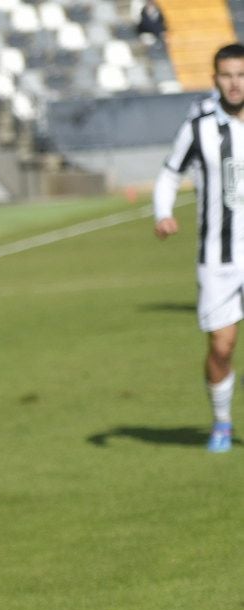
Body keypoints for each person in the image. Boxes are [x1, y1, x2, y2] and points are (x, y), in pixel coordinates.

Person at [154, 43, 244, 452]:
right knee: (221, 347)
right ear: (215, 79)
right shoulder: (200, 126)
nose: (235, 83)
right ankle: (222, 422)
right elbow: (170, 174)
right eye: (227, 75)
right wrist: (163, 212)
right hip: (218, 258)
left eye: (241, 74)